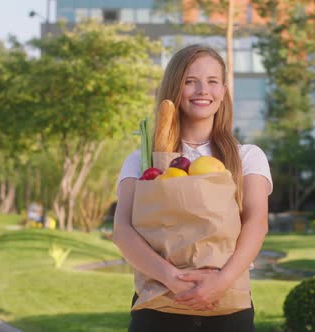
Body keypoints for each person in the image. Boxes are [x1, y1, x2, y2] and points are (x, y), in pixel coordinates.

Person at [113, 44, 273, 332]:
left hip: (227, 307)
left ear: (223, 92)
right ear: (174, 88)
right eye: (190, 81)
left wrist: (221, 282)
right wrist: (171, 278)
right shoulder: (143, 159)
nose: (203, 90)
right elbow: (122, 230)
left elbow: (256, 223)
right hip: (159, 305)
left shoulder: (248, 156)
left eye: (212, 82)